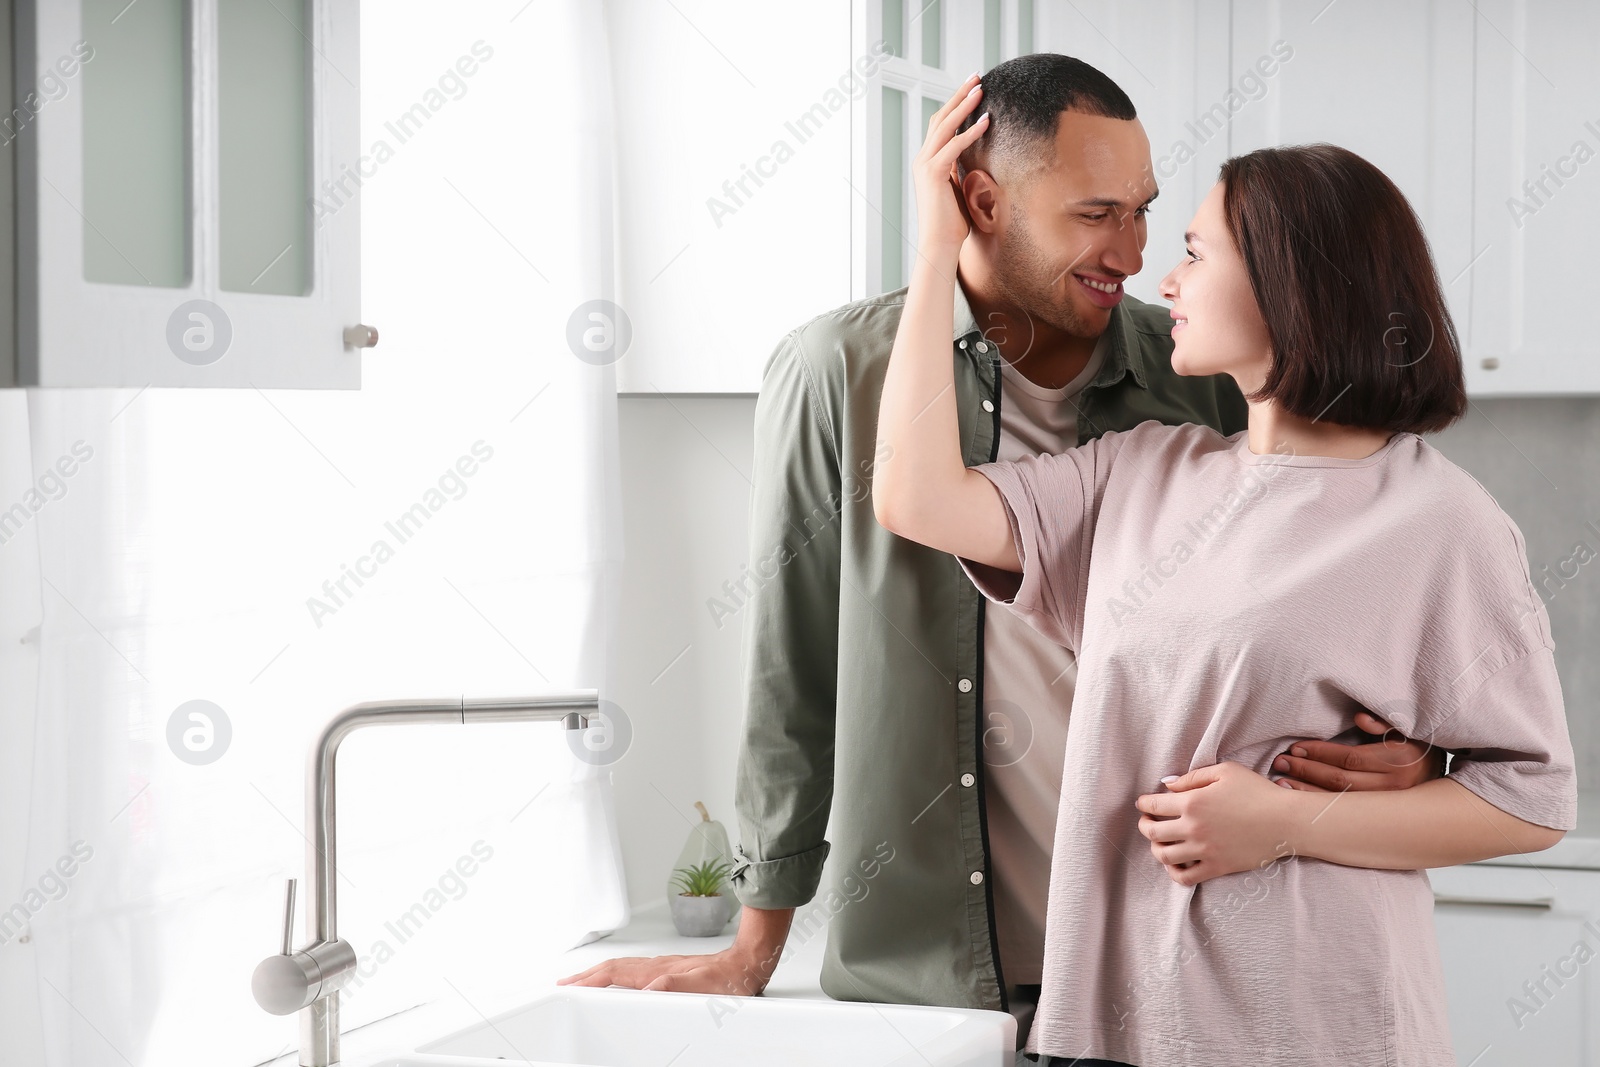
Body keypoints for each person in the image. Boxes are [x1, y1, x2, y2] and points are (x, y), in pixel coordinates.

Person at [561, 55, 1443, 1052]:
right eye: (1094, 213)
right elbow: (793, 666)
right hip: (928, 985)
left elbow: (1335, 592)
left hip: (1167, 969)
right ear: (981, 199)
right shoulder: (837, 373)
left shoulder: (1199, 373)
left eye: (1145, 211)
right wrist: (750, 949)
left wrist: (1405, 749)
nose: (1134, 248)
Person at [870, 73, 1577, 1067]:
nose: (1162, 277)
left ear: (1291, 285)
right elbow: (916, 498)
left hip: (1312, 1027)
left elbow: (1530, 799)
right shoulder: (1142, 471)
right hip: (1108, 1022)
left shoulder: (1441, 521)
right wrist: (937, 251)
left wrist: (1285, 819)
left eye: (1194, 251)